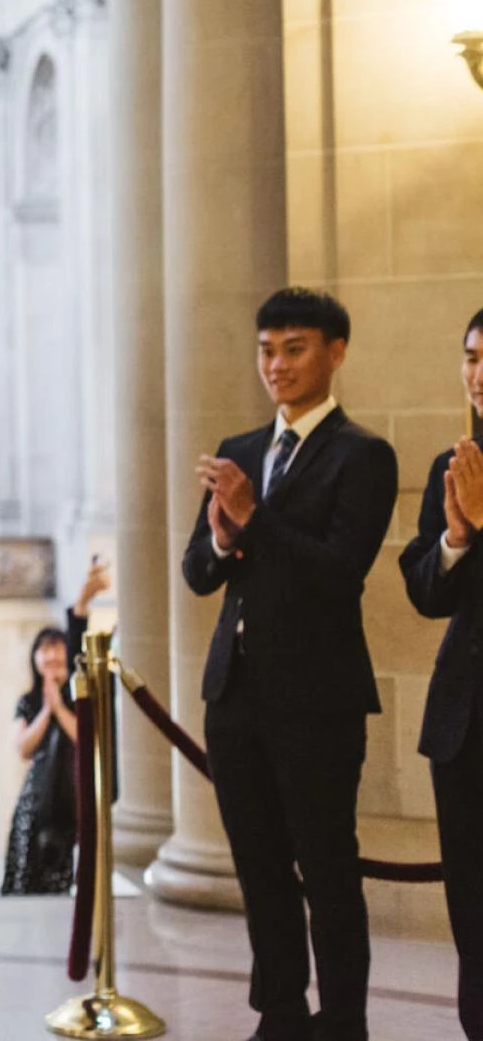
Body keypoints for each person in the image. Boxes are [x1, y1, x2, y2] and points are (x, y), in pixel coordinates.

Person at [182, 287, 397, 1041]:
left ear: (335, 352)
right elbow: (198, 571)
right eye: (267, 350)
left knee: (328, 869)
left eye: (294, 348)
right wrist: (222, 538)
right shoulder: (239, 450)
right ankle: (279, 1014)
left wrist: (254, 518)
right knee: (260, 867)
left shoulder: (363, 455)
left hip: (318, 700)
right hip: (235, 694)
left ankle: (342, 1023)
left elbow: (340, 572)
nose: (276, 364)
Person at [397, 305, 483, 1040]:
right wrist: (456, 534)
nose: (478, 374)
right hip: (465, 727)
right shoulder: (451, 467)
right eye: (472, 357)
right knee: (473, 917)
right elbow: (427, 593)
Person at [0, 560, 108, 895]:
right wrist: (46, 709)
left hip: (74, 795)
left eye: (56, 649)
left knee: (70, 877)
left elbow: (86, 739)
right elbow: (23, 748)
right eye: (43, 651)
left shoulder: (80, 692)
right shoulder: (29, 701)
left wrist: (60, 706)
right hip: (37, 800)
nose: (50, 657)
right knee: (28, 875)